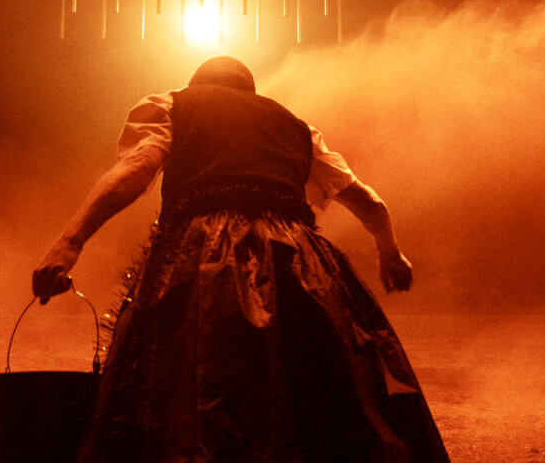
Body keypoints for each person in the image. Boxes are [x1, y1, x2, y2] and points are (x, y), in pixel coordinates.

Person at [33, 55, 449, 463]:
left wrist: (72, 241)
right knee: (324, 397)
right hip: (300, 261)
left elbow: (138, 168)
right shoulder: (296, 128)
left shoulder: (174, 105)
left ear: (197, 85)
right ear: (251, 93)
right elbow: (368, 203)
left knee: (186, 394)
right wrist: (390, 253)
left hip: (203, 255)